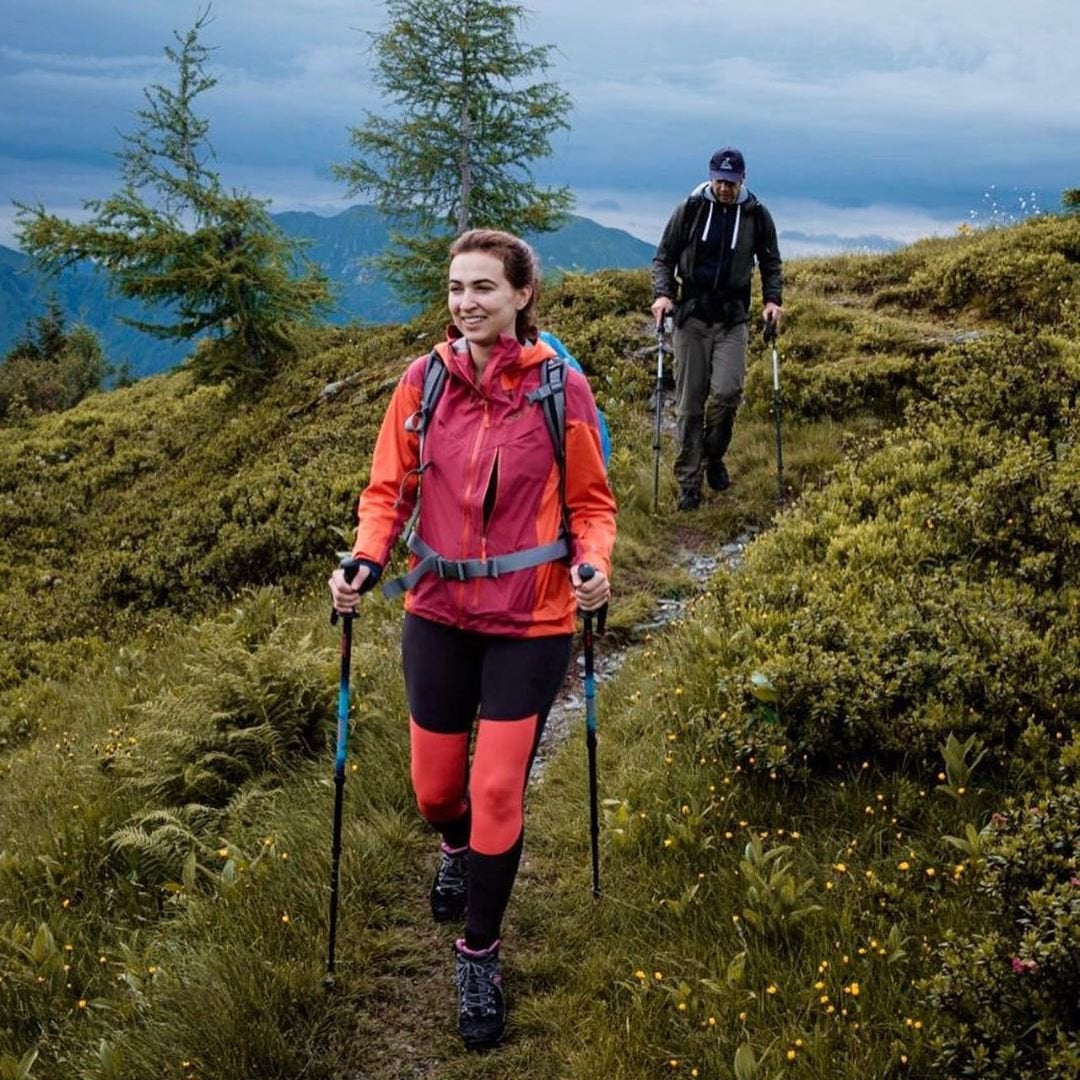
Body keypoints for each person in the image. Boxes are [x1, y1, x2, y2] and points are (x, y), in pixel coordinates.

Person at [328, 228, 616, 1050]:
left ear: (522, 295)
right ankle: (455, 848)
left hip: (532, 618)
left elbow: (593, 506)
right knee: (434, 793)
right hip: (439, 612)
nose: (466, 304)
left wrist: (594, 565)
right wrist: (364, 559)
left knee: (496, 790)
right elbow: (387, 493)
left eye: (483, 288)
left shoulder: (563, 390)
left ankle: (479, 952)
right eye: (456, 289)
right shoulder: (424, 384)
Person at [650, 146, 784, 510]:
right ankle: (688, 483)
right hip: (691, 318)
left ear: (743, 180)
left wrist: (773, 301)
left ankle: (713, 455)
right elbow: (663, 257)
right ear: (712, 177)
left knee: (727, 394)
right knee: (690, 404)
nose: (726, 188)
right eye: (721, 181)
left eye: (732, 182)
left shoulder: (756, 214)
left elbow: (771, 263)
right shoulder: (691, 209)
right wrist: (664, 295)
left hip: (732, 318)